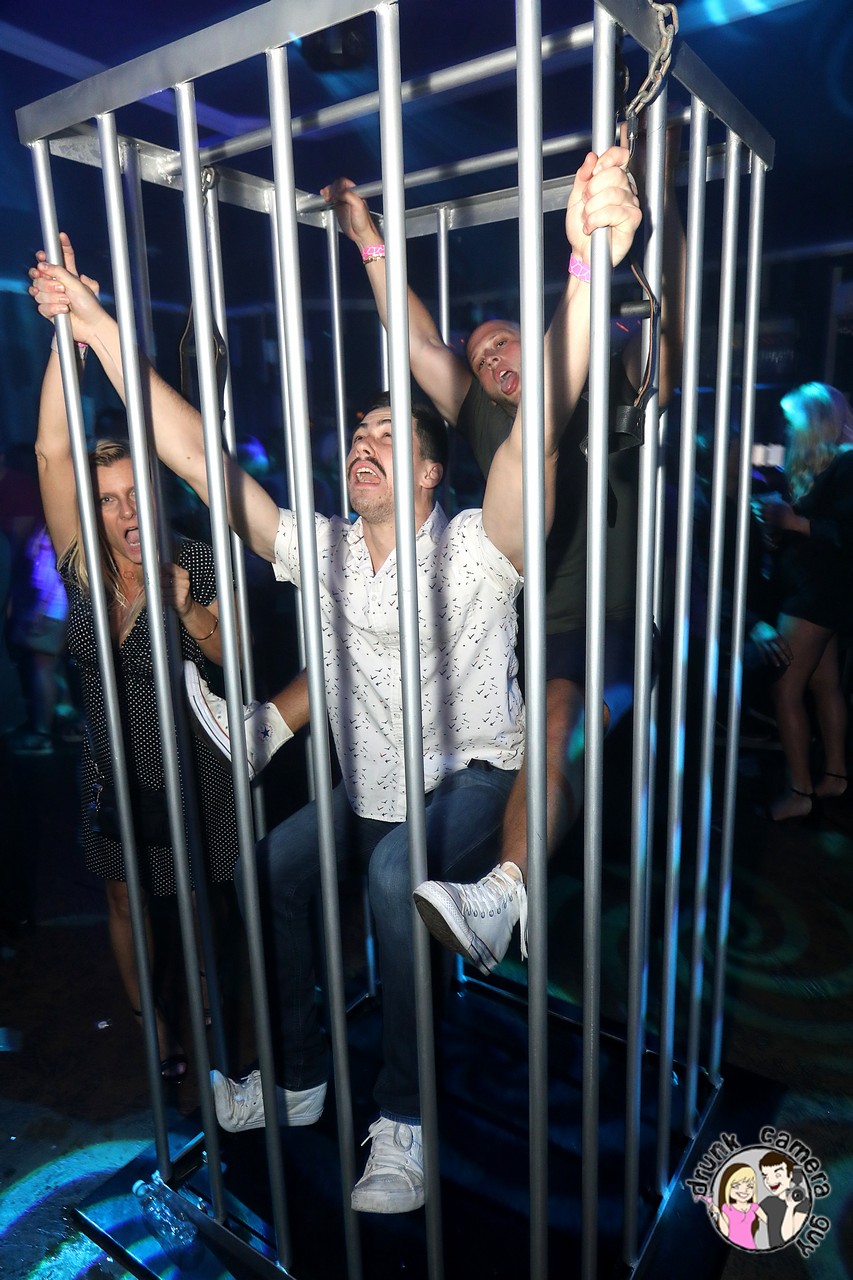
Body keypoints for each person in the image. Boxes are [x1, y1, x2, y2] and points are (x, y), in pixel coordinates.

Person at [29, 148, 641, 1212]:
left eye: (388, 436)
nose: (364, 443)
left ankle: (403, 1118)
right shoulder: (317, 547)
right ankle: (298, 1075)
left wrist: (589, 263)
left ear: (432, 470)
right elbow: (195, 457)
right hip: (370, 787)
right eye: (357, 433)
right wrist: (95, 327)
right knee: (272, 866)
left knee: (397, 880)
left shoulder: (479, 543)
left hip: (471, 780)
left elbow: (536, 427)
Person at [29, 276, 241, 1079]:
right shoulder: (82, 571)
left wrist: (186, 610)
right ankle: (154, 1029)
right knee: (123, 900)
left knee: (195, 905)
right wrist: (68, 332)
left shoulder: (196, 560)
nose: (123, 513)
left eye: (133, 495)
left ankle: (212, 1010)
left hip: (192, 770)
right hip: (109, 770)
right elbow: (52, 452)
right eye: (107, 500)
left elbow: (231, 659)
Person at [754, 383, 853, 821]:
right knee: (823, 683)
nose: (789, 431)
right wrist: (780, 528)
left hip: (814, 595)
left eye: (794, 423)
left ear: (815, 422)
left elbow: (844, 534)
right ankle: (835, 776)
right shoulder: (833, 463)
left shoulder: (847, 462)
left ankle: (800, 791)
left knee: (785, 687)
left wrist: (792, 521)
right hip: (819, 592)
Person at [705, 1161, 767, 1249]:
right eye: (736, 1186)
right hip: (731, 1248)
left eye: (750, 1186)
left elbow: (770, 1222)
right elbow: (726, 1232)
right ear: (727, 1187)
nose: (744, 1190)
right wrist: (717, 1212)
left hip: (750, 1247)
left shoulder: (754, 1207)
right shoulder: (726, 1208)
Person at [757, 1151, 810, 1248]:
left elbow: (787, 1237)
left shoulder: (802, 1203)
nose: (770, 1181)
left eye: (777, 1175)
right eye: (765, 1176)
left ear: (790, 1175)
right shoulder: (768, 1202)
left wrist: (790, 1207)